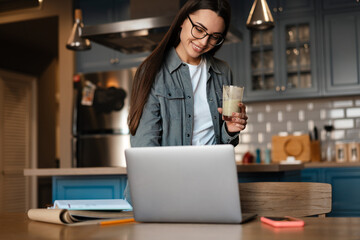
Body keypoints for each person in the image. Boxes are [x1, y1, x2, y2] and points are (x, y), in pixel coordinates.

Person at [128, 0, 247, 147]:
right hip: (172, 169)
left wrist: (230, 130)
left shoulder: (223, 71)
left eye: (214, 37)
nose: (204, 42)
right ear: (183, 20)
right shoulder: (152, 71)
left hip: (213, 168)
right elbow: (144, 145)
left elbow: (226, 143)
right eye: (198, 29)